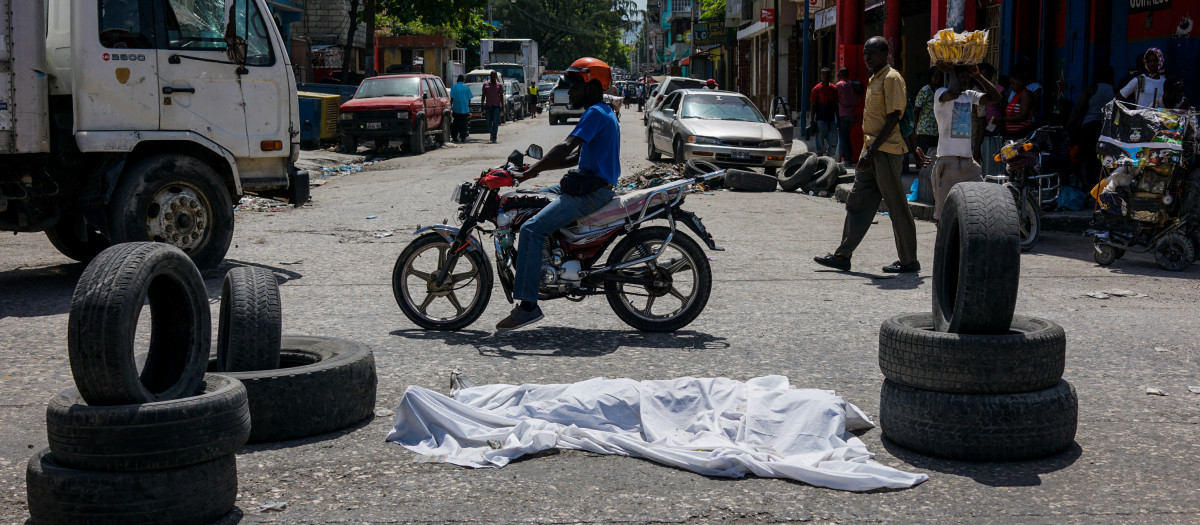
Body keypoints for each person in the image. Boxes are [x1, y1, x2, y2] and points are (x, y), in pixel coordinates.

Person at [496, 57, 620, 331]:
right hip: (587, 185)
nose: (569, 91)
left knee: (530, 229)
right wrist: (533, 171)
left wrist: (530, 172)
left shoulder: (595, 113)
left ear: (592, 83)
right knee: (529, 200)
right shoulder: (604, 111)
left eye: (574, 85)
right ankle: (545, 259)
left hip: (591, 192)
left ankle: (528, 305)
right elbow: (575, 157)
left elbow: (565, 147)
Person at [814, 36, 919, 274]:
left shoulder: (892, 78)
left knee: (896, 206)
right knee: (857, 202)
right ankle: (842, 255)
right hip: (870, 151)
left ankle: (909, 260)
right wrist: (868, 151)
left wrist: (872, 152)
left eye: (871, 53)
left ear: (886, 54)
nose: (867, 57)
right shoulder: (874, 78)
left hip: (885, 152)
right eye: (865, 53)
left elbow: (894, 117)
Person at [930, 62, 1003, 219]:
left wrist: (978, 75)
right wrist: (951, 69)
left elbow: (996, 97)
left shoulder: (969, 95)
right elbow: (954, 92)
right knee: (944, 215)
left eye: (967, 77)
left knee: (979, 204)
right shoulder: (940, 94)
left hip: (968, 162)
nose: (965, 80)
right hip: (947, 162)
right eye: (961, 76)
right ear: (951, 77)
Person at [1066, 65, 1115, 193]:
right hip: (1107, 128)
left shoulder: (1091, 89)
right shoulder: (1115, 91)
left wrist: (1068, 125)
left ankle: (1088, 189)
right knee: (1104, 160)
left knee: (1085, 159)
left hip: (1089, 127)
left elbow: (1078, 110)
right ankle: (1104, 188)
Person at [911, 66, 942, 168]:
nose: (938, 78)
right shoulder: (925, 91)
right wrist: (915, 128)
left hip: (936, 130)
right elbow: (916, 111)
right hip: (924, 130)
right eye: (935, 76)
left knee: (933, 159)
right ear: (930, 77)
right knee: (923, 157)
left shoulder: (940, 91)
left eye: (939, 76)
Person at [809, 67, 839, 157]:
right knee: (819, 145)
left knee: (833, 143)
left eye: (827, 74)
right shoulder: (816, 89)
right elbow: (813, 106)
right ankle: (820, 163)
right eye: (823, 74)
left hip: (831, 120)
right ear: (820, 76)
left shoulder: (834, 88)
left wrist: (838, 120)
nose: (825, 76)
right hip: (820, 120)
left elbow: (836, 106)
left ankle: (828, 162)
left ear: (830, 76)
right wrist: (812, 121)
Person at [997, 69, 1035, 140]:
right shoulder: (1016, 95)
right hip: (1012, 135)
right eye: (1010, 83)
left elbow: (1023, 116)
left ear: (1021, 82)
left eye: (1013, 83)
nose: (1011, 86)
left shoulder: (1026, 94)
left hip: (1021, 134)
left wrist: (1003, 119)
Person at [834, 67, 859, 165]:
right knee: (847, 136)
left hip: (842, 114)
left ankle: (847, 158)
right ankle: (848, 157)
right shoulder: (852, 84)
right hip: (851, 113)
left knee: (843, 137)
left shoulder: (839, 85)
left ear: (841, 75)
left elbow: (835, 100)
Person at [482, 71, 504, 143]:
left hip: (496, 106)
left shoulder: (499, 85)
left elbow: (501, 96)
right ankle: (492, 133)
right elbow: (483, 95)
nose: (493, 77)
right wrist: (482, 104)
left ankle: (494, 137)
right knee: (488, 121)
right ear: (490, 76)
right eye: (492, 76)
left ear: (496, 77)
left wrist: (502, 106)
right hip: (488, 106)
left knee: (495, 122)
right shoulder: (485, 84)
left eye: (494, 76)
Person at [449, 75, 472, 143]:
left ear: (457, 80)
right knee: (464, 124)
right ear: (463, 80)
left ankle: (454, 137)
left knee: (455, 124)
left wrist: (451, 106)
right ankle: (463, 137)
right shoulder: (466, 88)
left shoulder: (454, 87)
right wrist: (468, 107)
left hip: (456, 108)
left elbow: (452, 98)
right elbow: (469, 98)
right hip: (464, 109)